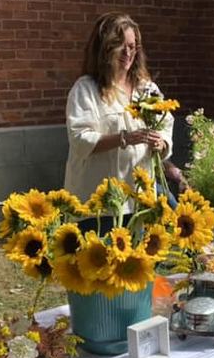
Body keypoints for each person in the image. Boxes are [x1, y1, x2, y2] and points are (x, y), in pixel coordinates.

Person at [64, 12, 174, 221]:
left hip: (139, 201)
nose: (127, 52)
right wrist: (124, 138)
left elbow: (166, 123)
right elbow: (80, 140)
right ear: (104, 48)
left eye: (132, 46)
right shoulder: (86, 90)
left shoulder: (147, 89)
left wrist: (161, 143)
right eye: (120, 45)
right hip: (98, 204)